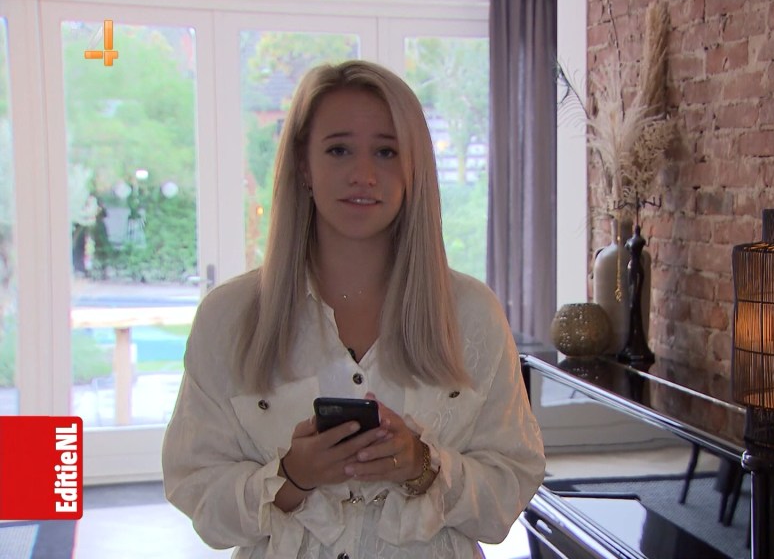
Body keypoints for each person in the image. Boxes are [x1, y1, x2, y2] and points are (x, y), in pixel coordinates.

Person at [162, 60, 545, 559]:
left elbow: (511, 484)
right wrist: (291, 478)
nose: (363, 175)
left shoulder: (471, 315)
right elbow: (196, 489)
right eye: (339, 149)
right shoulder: (230, 318)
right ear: (304, 165)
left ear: (413, 168)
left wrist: (423, 466)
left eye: (386, 151)